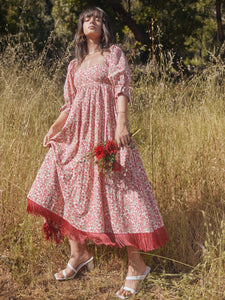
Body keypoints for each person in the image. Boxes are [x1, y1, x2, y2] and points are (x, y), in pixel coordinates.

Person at [27, 6, 169, 299]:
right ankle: (78, 254)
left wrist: (121, 123)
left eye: (99, 18)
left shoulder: (112, 53)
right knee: (66, 184)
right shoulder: (73, 65)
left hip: (105, 132)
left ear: (104, 28)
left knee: (120, 195)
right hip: (78, 136)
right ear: (81, 29)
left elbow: (121, 88)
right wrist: (54, 127)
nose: (94, 21)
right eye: (88, 18)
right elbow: (69, 106)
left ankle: (137, 266)